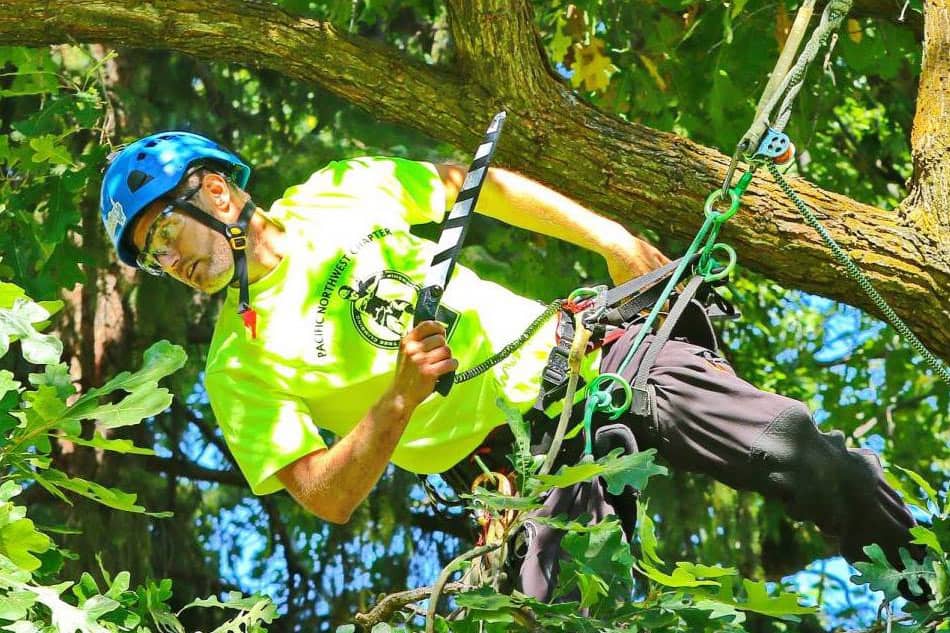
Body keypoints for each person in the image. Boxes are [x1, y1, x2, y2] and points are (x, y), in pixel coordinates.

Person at [99, 131, 923, 602]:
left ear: (213, 192)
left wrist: (606, 237)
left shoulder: (339, 190)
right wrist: (395, 402)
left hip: (585, 360)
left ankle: (924, 578)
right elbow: (326, 494)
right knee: (542, 618)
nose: (172, 263)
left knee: (790, 441)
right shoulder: (236, 365)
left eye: (165, 236)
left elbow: (472, 186)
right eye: (153, 260)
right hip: (517, 474)